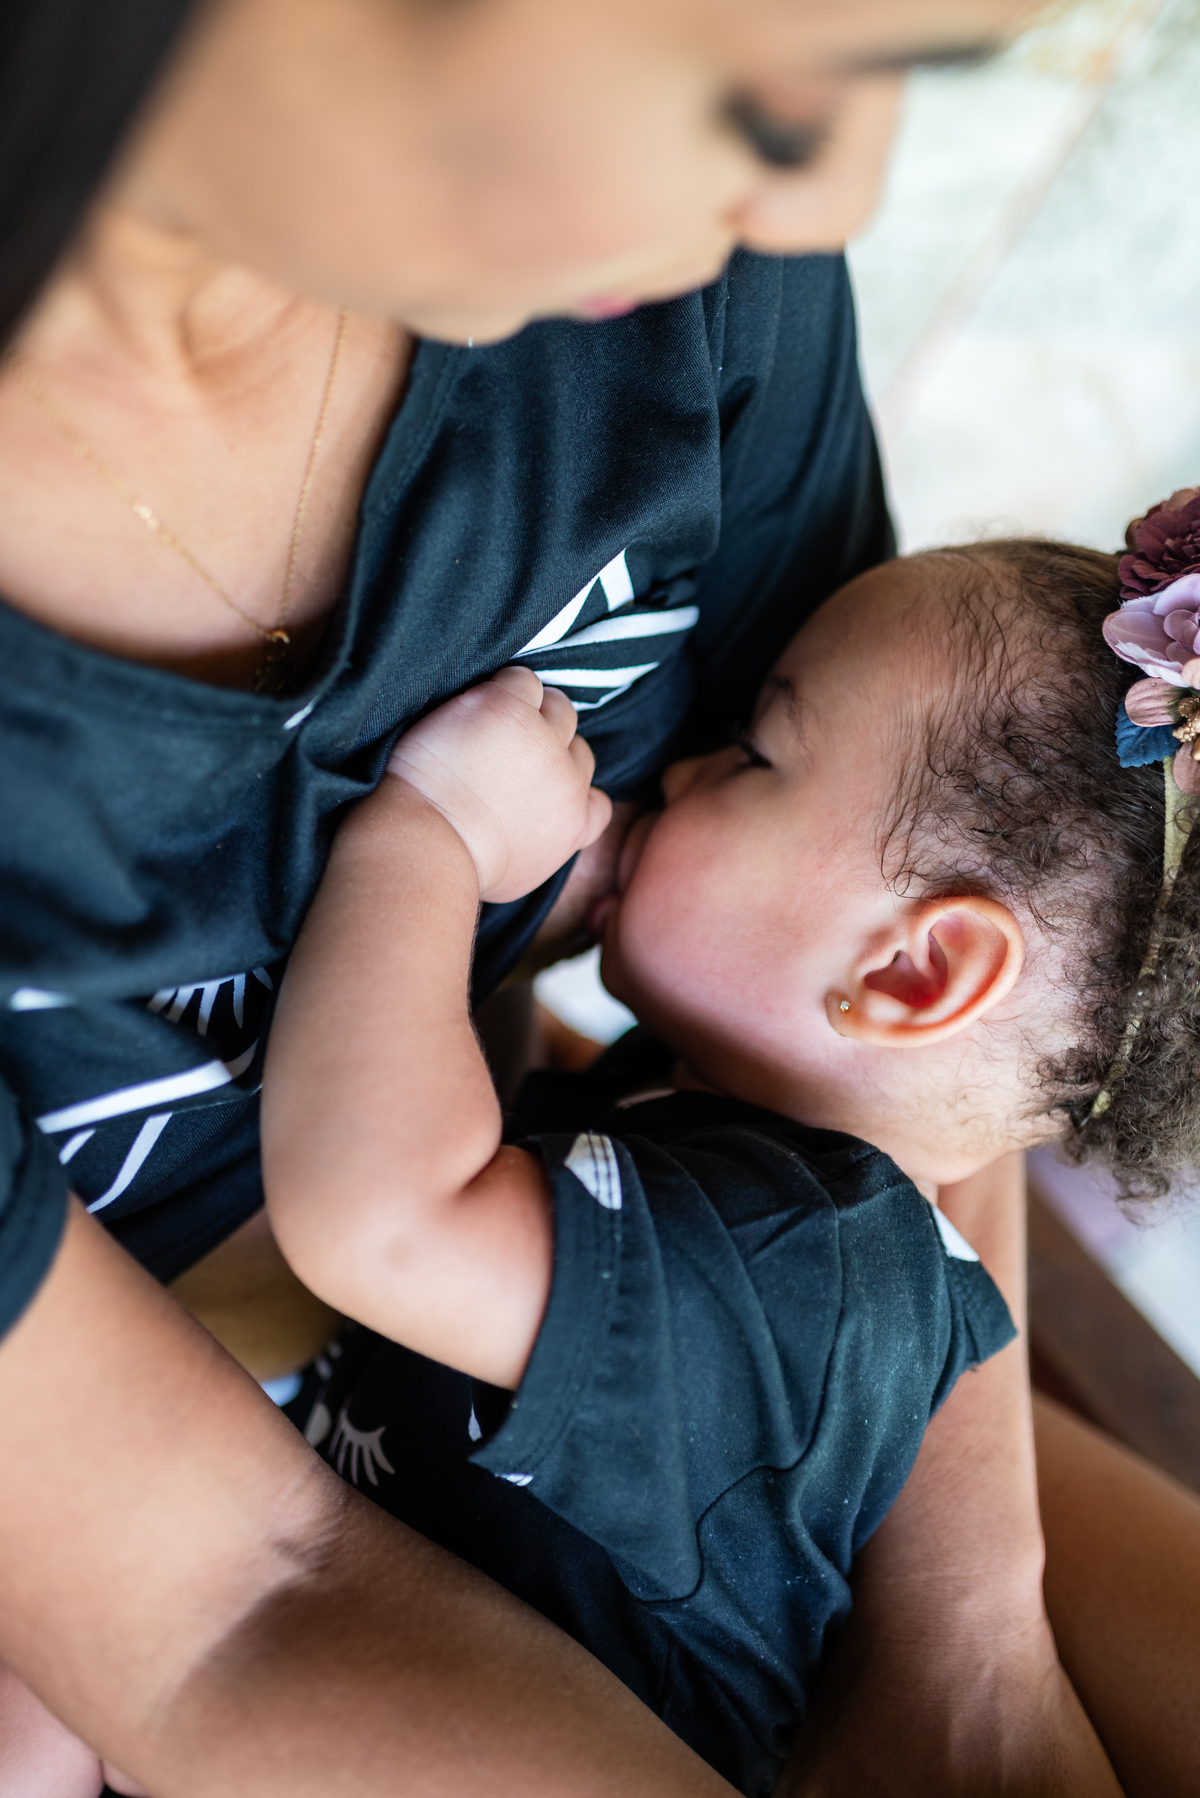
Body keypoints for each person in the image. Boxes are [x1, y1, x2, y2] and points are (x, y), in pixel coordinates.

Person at [1, 0, 1069, 1792]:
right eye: (776, 83)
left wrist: (980, 1653)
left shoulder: (684, 291)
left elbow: (934, 1051)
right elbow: (218, 1604)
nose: (828, 201)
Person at [257, 520, 1200, 1794]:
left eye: (756, 753)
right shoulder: (759, 1142)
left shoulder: (798, 1271)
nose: (686, 766)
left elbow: (381, 1219)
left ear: (913, 972)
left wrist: (431, 836)